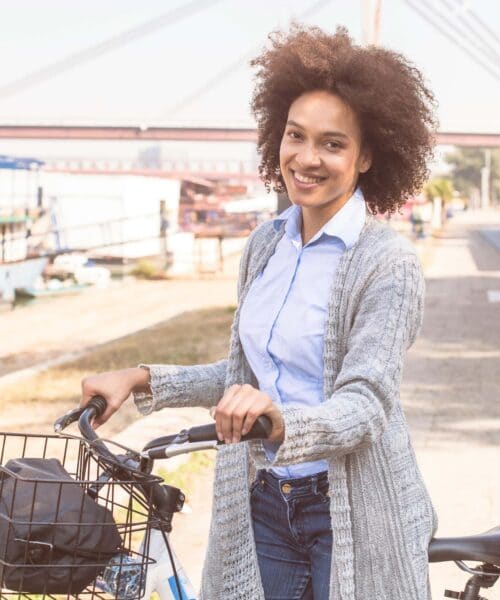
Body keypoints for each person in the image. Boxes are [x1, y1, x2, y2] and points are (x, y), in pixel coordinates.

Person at [81, 25, 437, 600]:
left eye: (333, 143)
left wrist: (280, 421)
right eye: (295, 136)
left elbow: (367, 402)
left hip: (352, 509)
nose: (307, 157)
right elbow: (247, 378)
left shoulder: (387, 262)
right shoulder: (265, 246)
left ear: (368, 156)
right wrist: (144, 381)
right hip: (267, 500)